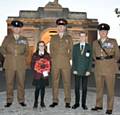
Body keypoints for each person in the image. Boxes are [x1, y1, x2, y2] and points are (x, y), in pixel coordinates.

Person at [91, 23, 120, 114]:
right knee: (99, 88)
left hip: (109, 69)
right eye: (101, 31)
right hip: (98, 68)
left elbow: (117, 55)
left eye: (105, 31)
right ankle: (98, 105)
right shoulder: (95, 43)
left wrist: (112, 63)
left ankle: (109, 107)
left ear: (107, 32)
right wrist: (98, 62)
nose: (103, 32)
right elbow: (93, 55)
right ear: (99, 32)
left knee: (110, 89)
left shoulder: (113, 41)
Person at [0, 20, 29, 107]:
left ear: (20, 29)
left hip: (21, 64)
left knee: (21, 83)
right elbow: (2, 48)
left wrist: (22, 57)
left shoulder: (24, 39)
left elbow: (27, 51)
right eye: (15, 27)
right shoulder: (7, 38)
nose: (17, 29)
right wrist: (7, 56)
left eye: (18, 28)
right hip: (9, 63)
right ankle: (9, 100)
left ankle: (21, 100)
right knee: (9, 83)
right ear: (12, 28)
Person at [49, 18, 73, 108]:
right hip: (55, 63)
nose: (60, 28)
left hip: (65, 63)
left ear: (65, 27)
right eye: (59, 26)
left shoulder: (68, 38)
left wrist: (68, 59)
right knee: (55, 82)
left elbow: (71, 50)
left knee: (67, 82)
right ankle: (55, 100)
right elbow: (51, 50)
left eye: (62, 26)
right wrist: (53, 58)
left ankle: (67, 100)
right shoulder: (53, 38)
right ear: (57, 27)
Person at [72, 31, 92, 110]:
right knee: (76, 88)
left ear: (86, 37)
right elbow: (73, 59)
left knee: (84, 88)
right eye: (81, 36)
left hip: (85, 71)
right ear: (79, 37)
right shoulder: (75, 47)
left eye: (83, 36)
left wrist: (88, 70)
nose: (82, 38)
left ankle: (83, 104)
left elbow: (90, 59)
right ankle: (77, 103)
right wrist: (74, 69)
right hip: (77, 70)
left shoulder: (89, 47)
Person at [31, 41, 51, 109]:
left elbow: (50, 64)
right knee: (37, 88)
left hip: (44, 75)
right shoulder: (35, 55)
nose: (41, 47)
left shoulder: (47, 55)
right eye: (40, 45)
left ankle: (42, 102)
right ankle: (35, 102)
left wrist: (47, 71)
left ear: (44, 47)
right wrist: (36, 69)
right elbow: (32, 64)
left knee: (43, 88)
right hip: (37, 74)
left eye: (42, 45)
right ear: (38, 46)